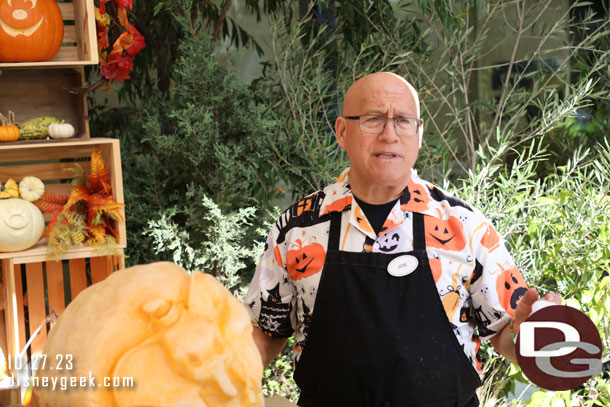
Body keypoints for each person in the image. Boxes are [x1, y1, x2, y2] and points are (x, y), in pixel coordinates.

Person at [244, 72, 560, 407]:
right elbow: (264, 331)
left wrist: (528, 334)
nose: (390, 135)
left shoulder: (464, 226)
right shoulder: (299, 227)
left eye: (404, 121)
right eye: (374, 119)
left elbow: (504, 335)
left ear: (419, 134)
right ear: (342, 131)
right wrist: (211, 368)